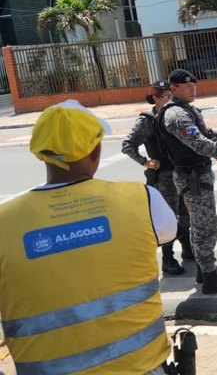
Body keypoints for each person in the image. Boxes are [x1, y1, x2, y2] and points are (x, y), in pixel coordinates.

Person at [0, 100, 175, 374]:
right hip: (142, 367)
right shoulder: (143, 198)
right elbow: (167, 233)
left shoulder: (4, 221)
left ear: (40, 153)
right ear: (96, 151)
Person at [157, 69, 217, 294]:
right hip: (191, 177)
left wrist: (216, 152)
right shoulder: (176, 114)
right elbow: (198, 143)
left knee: (200, 225)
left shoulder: (187, 110)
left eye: (194, 85)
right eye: (187, 86)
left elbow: (204, 137)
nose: (192, 89)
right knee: (206, 226)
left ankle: (206, 269)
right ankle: (210, 278)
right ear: (173, 88)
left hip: (196, 173)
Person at [122, 80, 193, 275]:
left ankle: (187, 248)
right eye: (165, 97)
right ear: (155, 98)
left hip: (182, 171)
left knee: (185, 212)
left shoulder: (176, 114)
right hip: (164, 177)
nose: (170, 100)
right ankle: (168, 259)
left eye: (172, 96)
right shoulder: (148, 120)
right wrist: (145, 161)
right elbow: (127, 144)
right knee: (169, 218)